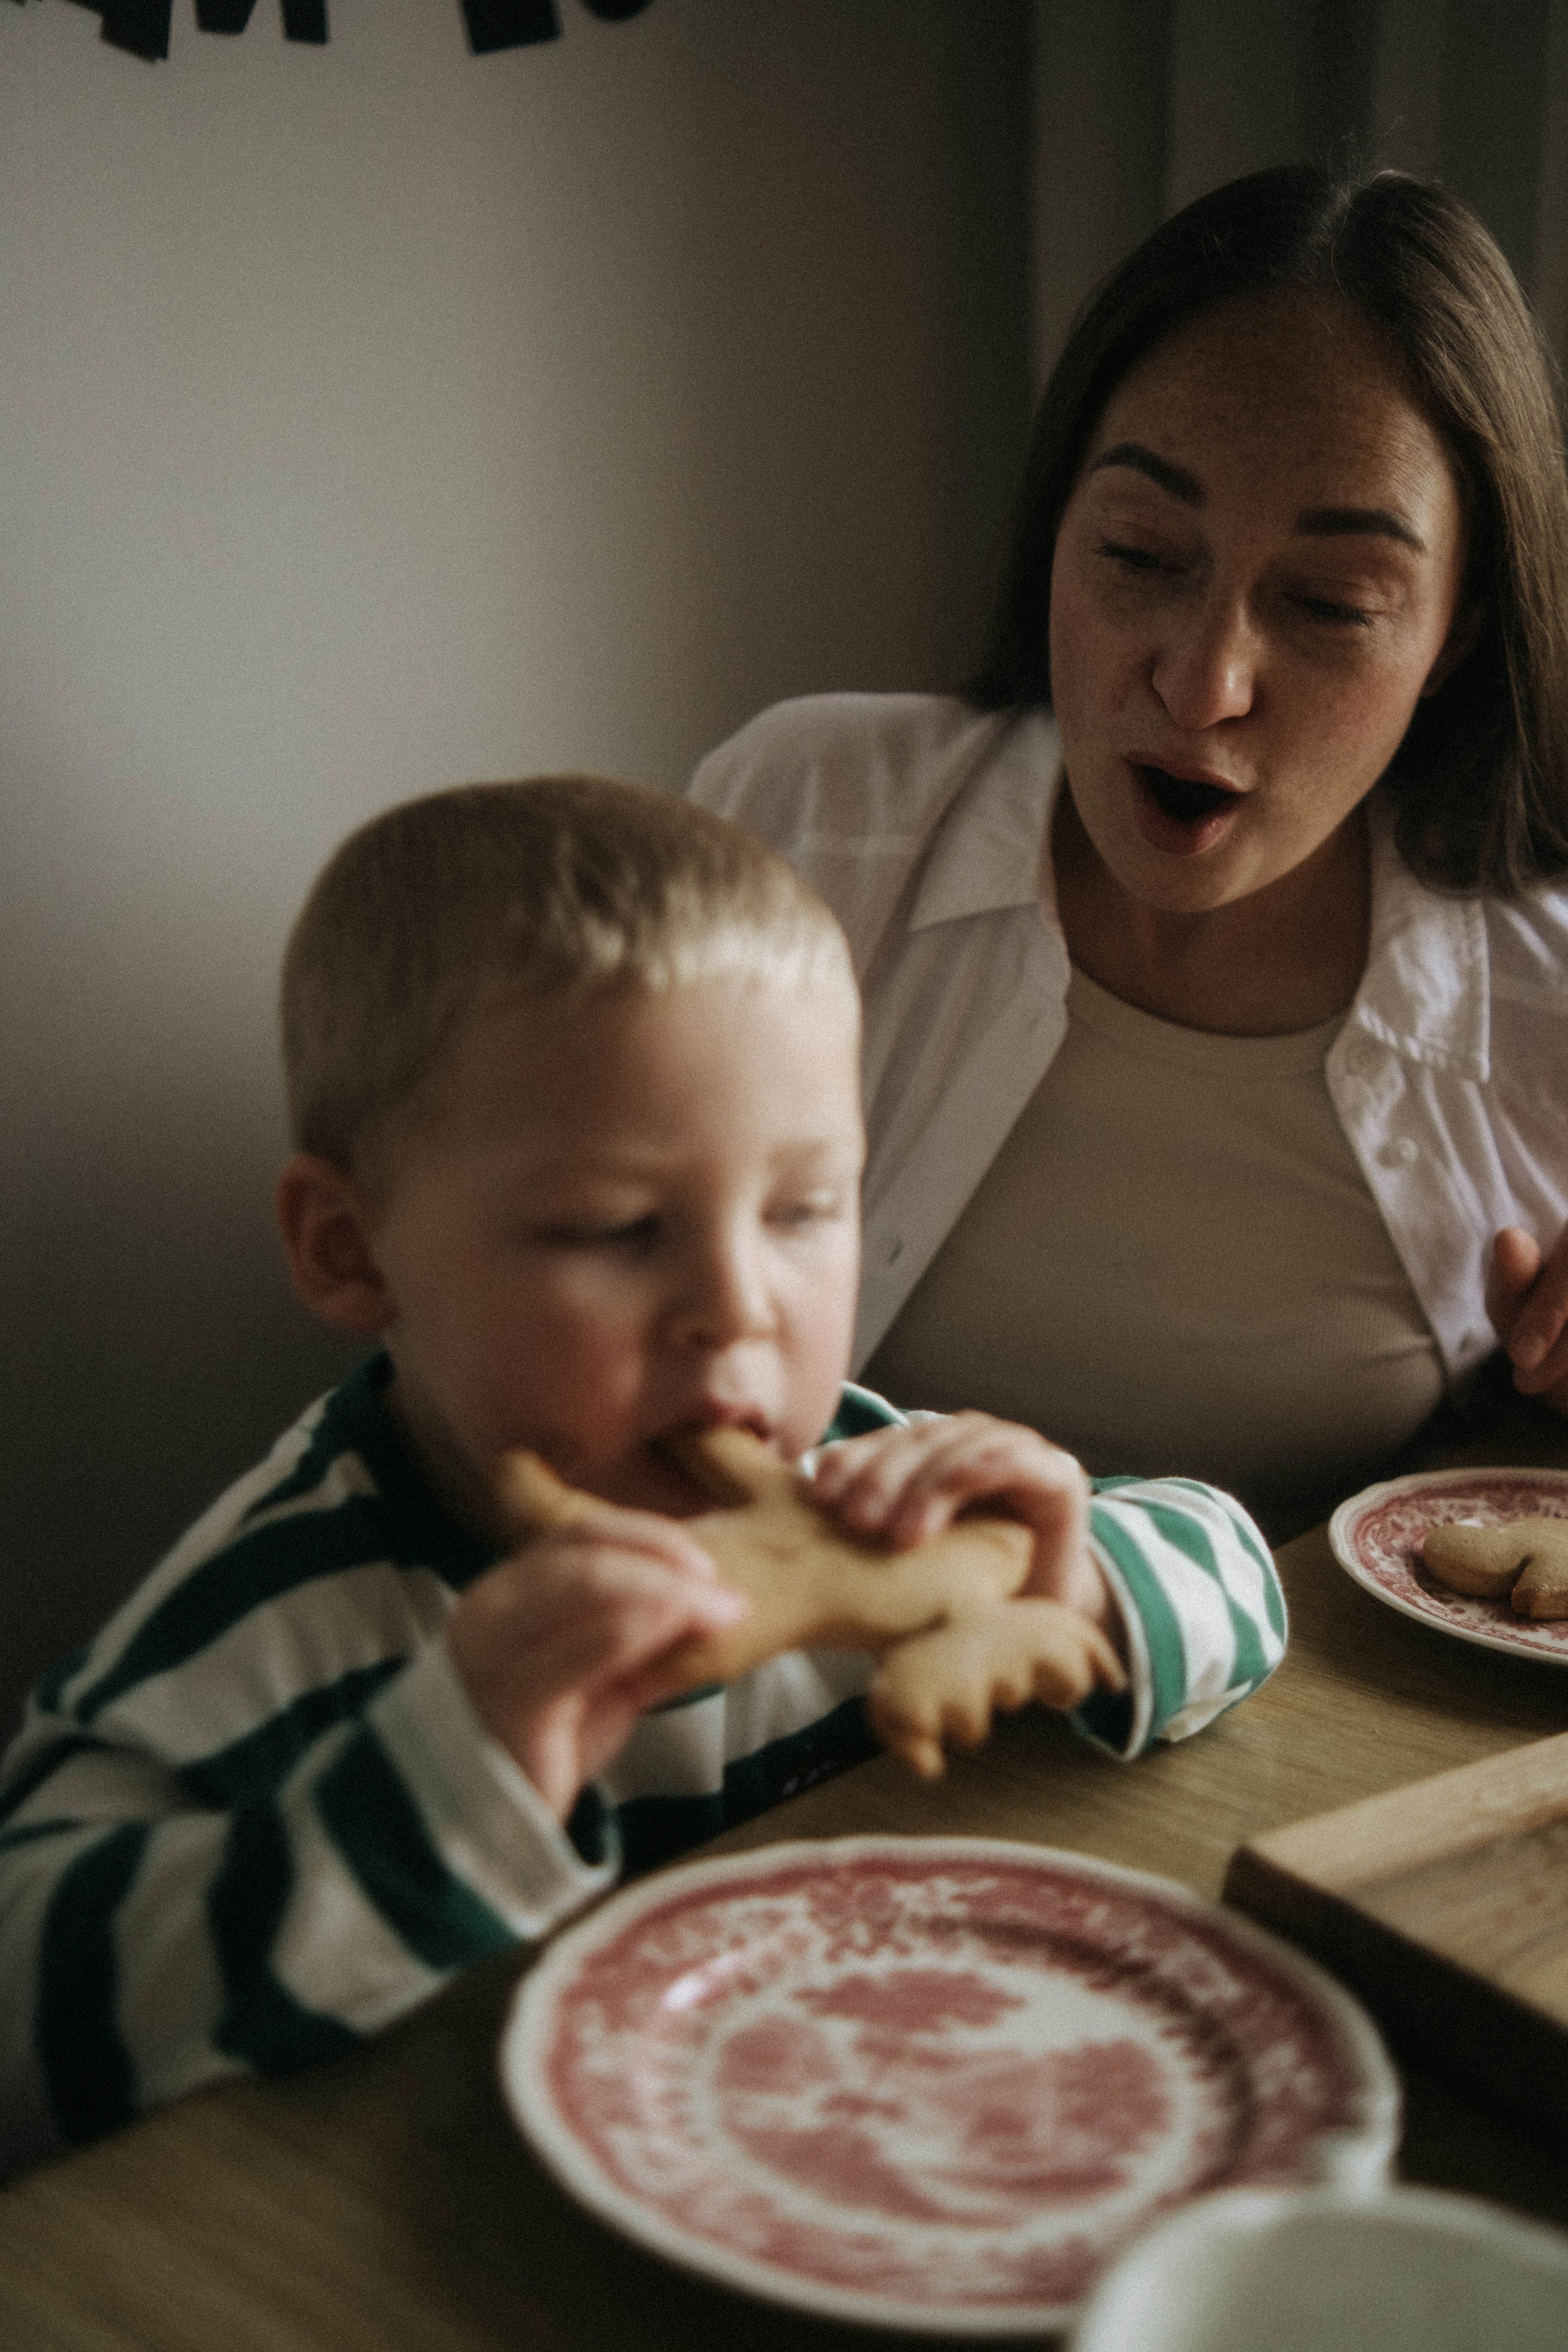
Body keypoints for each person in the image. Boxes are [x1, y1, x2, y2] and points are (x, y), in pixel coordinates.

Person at [0, 777, 1283, 2177]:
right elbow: (29, 2025)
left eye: (803, 1209)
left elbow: (1237, 1569)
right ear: (351, 1250)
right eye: (616, 1228)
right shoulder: (284, 1613)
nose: (736, 1308)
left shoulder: (865, 1489)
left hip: (851, 2142)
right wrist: (440, 1775)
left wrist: (1072, 1579)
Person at [691, 164, 1568, 1542]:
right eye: (1139, 551)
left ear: (1451, 637)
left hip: (1288, 1737)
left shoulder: (1540, 1002)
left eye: (1329, 604)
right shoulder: (801, 822)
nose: (1203, 680)